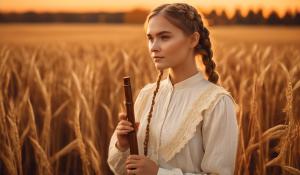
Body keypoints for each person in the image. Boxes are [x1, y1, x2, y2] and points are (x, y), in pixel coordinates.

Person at [107, 3, 238, 175]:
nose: (153, 47)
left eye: (164, 37)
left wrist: (158, 173)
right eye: (150, 38)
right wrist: (123, 145)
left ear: (193, 39)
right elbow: (121, 170)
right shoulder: (146, 95)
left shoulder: (217, 103)